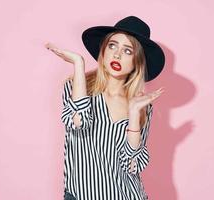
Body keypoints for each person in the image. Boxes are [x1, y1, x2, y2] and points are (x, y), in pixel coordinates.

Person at [45, 15, 165, 200]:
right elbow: (79, 122)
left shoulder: (142, 107)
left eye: (127, 51)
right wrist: (78, 64)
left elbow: (132, 164)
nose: (117, 54)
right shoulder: (76, 87)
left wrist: (134, 113)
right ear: (103, 50)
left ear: (137, 62)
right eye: (112, 45)